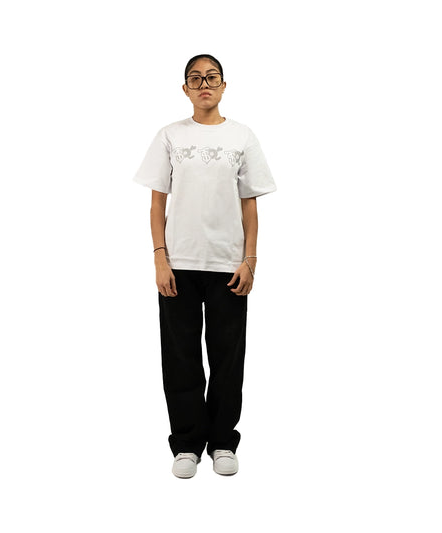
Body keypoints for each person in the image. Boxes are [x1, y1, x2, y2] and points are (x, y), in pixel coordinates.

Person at [132, 54, 277, 478]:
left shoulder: (242, 136)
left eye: (211, 77)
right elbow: (157, 202)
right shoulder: (170, 135)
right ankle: (187, 445)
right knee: (181, 357)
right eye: (195, 79)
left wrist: (250, 259)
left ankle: (223, 442)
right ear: (185, 89)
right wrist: (160, 258)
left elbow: (249, 204)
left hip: (228, 263)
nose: (204, 84)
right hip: (178, 262)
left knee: (227, 357)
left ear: (224, 85)